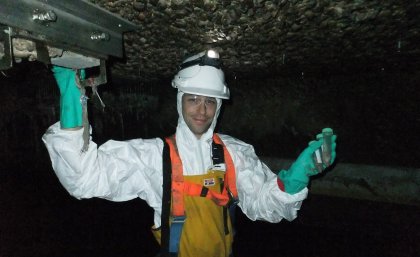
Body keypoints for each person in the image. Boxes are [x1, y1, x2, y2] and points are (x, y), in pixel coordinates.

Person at [43, 49, 337, 257]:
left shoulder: (234, 153)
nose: (201, 109)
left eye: (210, 102)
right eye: (193, 99)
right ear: (180, 101)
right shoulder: (154, 157)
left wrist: (296, 179)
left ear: (218, 106)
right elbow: (83, 178)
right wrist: (72, 96)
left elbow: (265, 207)